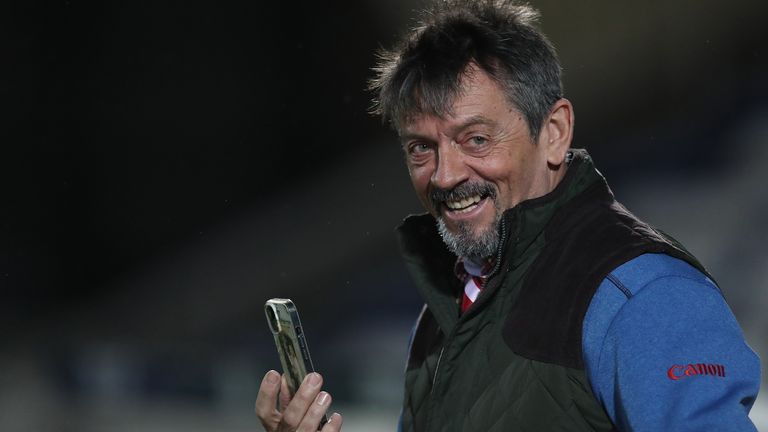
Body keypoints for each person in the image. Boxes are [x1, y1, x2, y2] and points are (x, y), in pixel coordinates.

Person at [255, 0, 761, 430]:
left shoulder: (648, 297)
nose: (445, 174)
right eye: (421, 148)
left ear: (556, 131)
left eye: (476, 139)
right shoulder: (445, 310)